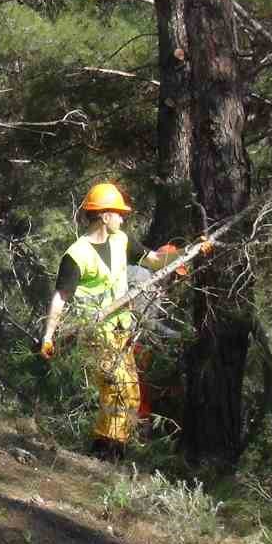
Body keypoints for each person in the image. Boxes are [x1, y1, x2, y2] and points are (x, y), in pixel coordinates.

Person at [37, 183, 187, 458]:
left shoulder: (122, 241)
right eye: (118, 213)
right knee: (115, 390)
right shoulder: (77, 254)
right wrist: (48, 336)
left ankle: (110, 448)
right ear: (104, 216)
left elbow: (155, 261)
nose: (122, 218)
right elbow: (60, 297)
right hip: (96, 334)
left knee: (130, 394)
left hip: (121, 331)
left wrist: (190, 251)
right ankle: (106, 451)